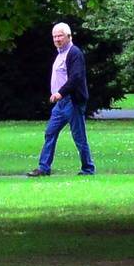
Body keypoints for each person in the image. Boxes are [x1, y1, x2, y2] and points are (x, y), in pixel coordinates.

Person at [28, 21, 95, 177]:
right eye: (54, 36)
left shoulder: (74, 53)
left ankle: (88, 169)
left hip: (72, 101)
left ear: (69, 36)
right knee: (50, 132)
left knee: (79, 136)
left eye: (60, 36)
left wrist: (60, 93)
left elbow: (76, 77)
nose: (57, 39)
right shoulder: (59, 54)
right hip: (61, 104)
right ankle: (43, 168)